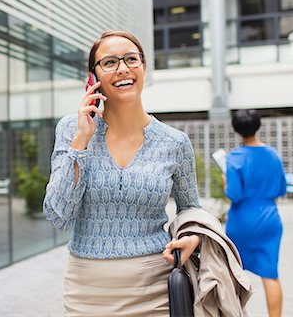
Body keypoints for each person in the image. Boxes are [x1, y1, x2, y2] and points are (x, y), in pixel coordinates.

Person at [43, 30, 202, 316]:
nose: (123, 69)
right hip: (86, 290)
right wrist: (81, 141)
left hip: (156, 286)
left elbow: (190, 208)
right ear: (92, 78)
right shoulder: (71, 129)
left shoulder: (174, 142)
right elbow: (57, 214)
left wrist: (193, 237)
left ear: (144, 67)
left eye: (131, 59)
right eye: (110, 62)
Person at [223, 109, 286, 317]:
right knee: (270, 274)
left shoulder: (234, 158)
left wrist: (226, 182)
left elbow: (234, 194)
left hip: (242, 221)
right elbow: (280, 190)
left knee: (234, 272)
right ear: (258, 126)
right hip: (269, 218)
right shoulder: (273, 154)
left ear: (236, 130)